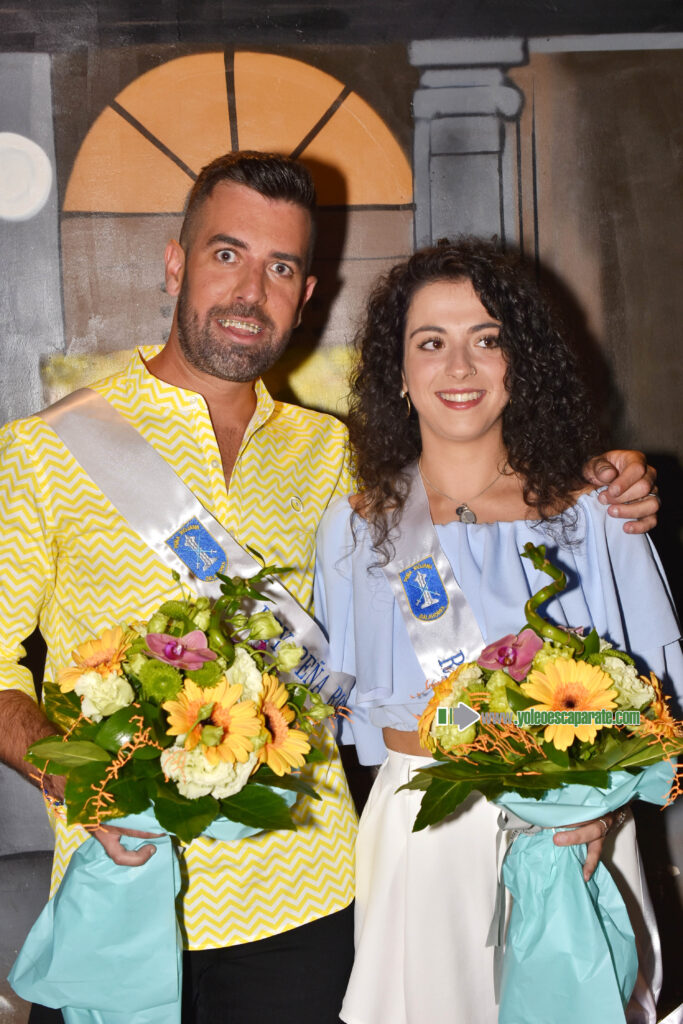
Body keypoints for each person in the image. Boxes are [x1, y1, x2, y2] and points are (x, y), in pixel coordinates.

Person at [0, 154, 659, 1024]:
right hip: (124, 890)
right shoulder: (45, 448)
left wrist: (606, 475)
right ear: (174, 263)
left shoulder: (338, 456)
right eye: (226, 255)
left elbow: (478, 488)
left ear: (305, 294)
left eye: (280, 268)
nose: (250, 291)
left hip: (315, 904)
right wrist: (80, 781)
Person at [313, 238, 682, 1024]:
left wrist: (598, 808)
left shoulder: (598, 513)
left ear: (520, 362)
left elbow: (658, 707)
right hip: (426, 832)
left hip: (579, 829)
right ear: (397, 371)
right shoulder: (353, 529)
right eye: (430, 343)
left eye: (487, 340)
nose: (459, 367)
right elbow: (352, 722)